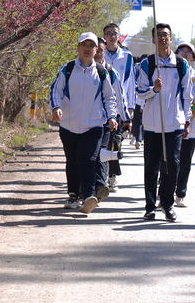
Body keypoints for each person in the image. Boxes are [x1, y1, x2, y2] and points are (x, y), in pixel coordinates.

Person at [49, 32, 118, 214]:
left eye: (91, 46)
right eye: (84, 45)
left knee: (87, 159)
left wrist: (111, 117)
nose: (87, 49)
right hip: (69, 125)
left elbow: (110, 98)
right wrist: (56, 107)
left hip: (93, 125)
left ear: (96, 50)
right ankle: (73, 195)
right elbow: (55, 90)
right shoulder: (68, 69)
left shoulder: (101, 72)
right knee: (72, 162)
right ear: (78, 48)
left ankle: (88, 196)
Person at [136, 24, 192, 221]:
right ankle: (150, 206)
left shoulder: (181, 64)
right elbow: (140, 93)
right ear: (153, 40)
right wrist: (154, 89)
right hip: (152, 125)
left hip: (174, 124)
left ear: (171, 38)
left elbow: (187, 95)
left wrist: (186, 120)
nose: (162, 38)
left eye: (166, 35)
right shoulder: (147, 64)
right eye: (158, 35)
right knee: (151, 166)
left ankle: (167, 204)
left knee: (172, 166)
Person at [93, 38, 131, 194]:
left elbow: (119, 98)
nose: (97, 53)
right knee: (86, 155)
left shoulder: (110, 72)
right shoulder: (75, 69)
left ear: (104, 52)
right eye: (95, 49)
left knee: (102, 152)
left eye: (101, 50)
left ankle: (101, 184)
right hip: (84, 121)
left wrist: (126, 118)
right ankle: (81, 189)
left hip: (107, 120)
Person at [174, 43, 195, 208]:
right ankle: (165, 191)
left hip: (191, 128)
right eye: (182, 50)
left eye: (189, 52)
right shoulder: (170, 74)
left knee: (185, 162)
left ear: (193, 57)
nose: (185, 54)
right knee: (168, 161)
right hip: (170, 126)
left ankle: (180, 194)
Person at [103, 23, 135, 192]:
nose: (112, 36)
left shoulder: (127, 57)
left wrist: (131, 108)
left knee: (115, 142)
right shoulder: (99, 54)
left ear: (119, 35)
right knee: (102, 142)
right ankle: (100, 176)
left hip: (119, 107)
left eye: (114, 33)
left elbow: (131, 84)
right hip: (101, 105)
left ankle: (112, 176)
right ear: (104, 37)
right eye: (108, 33)